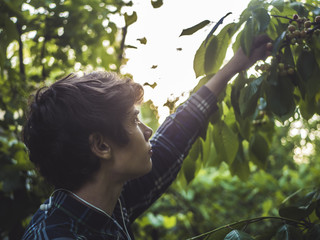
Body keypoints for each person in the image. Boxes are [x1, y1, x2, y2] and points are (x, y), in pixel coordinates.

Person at [22, 35, 271, 240]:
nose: (148, 131)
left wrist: (232, 67)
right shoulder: (56, 235)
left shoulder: (109, 200)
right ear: (101, 145)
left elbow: (172, 140)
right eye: (133, 120)